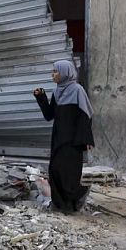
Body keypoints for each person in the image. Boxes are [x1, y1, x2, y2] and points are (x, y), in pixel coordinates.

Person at [33, 60, 94, 214]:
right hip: (59, 139)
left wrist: (87, 139)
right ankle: (60, 205)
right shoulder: (57, 92)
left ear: (65, 72)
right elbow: (49, 115)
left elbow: (85, 115)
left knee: (70, 174)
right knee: (55, 170)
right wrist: (41, 98)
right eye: (53, 71)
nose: (52, 75)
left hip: (73, 141)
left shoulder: (77, 90)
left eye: (55, 71)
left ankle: (76, 200)